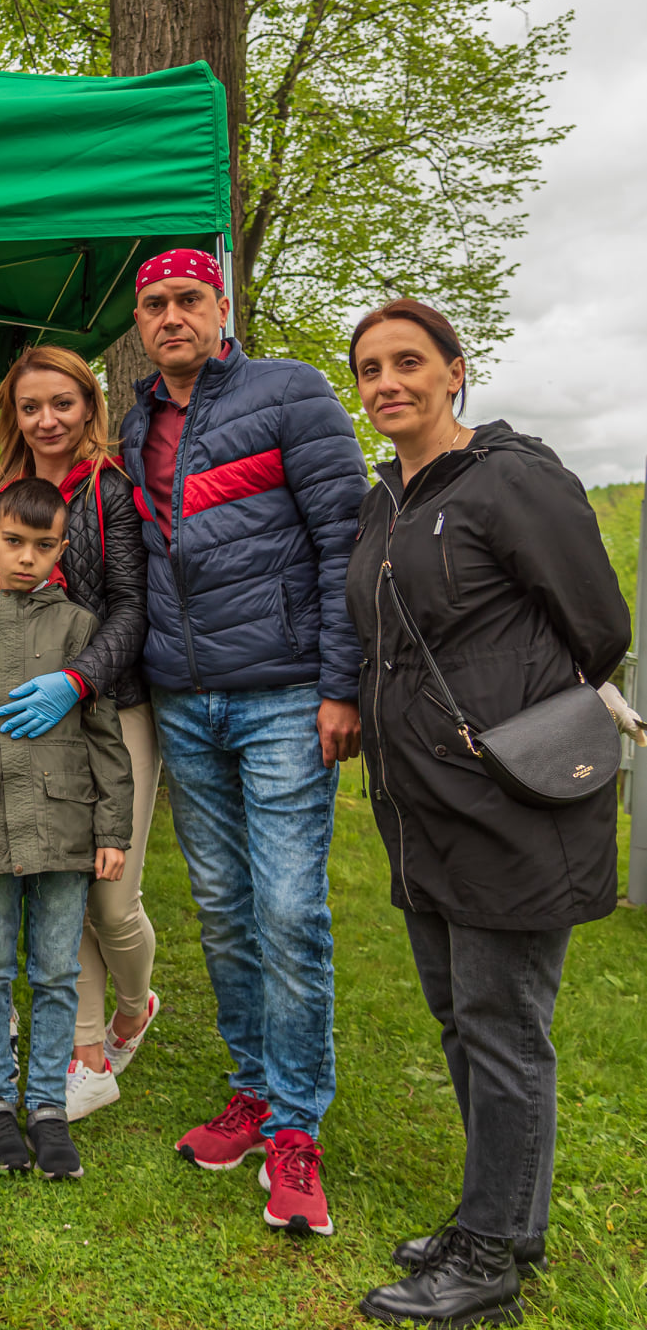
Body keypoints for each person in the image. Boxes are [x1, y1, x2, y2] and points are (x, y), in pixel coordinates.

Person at [342, 300, 635, 1326]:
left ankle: (487, 1259)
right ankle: (503, 1221)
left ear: (455, 370)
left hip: (511, 798)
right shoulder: (385, 498)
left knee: (503, 1028)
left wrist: (500, 725)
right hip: (421, 807)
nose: (388, 381)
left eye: (409, 361)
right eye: (370, 366)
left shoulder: (511, 477)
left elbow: (596, 625)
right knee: (463, 1023)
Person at [118, 247, 367, 1236]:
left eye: (186, 299)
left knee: (286, 906)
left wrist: (340, 685)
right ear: (139, 323)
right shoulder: (138, 425)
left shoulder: (290, 394)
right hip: (187, 702)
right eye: (153, 304)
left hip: (281, 695)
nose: (170, 316)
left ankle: (298, 1127)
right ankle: (253, 1092)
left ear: (222, 307)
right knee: (220, 908)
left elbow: (346, 542)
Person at [0, 345, 160, 1122]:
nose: (46, 419)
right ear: (12, 413)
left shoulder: (110, 494)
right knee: (59, 874)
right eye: (30, 405)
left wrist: (75, 678)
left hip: (104, 706)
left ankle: (135, 1003)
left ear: (87, 406)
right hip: (14, 724)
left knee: (108, 895)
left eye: (61, 402)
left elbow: (132, 605)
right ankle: (85, 1054)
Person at [0, 478, 133, 1180]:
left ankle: (45, 1104)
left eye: (42, 546)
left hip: (63, 825)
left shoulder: (78, 627)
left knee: (55, 970)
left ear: (60, 549)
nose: (25, 557)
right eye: (13, 541)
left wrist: (112, 829)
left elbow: (105, 736)